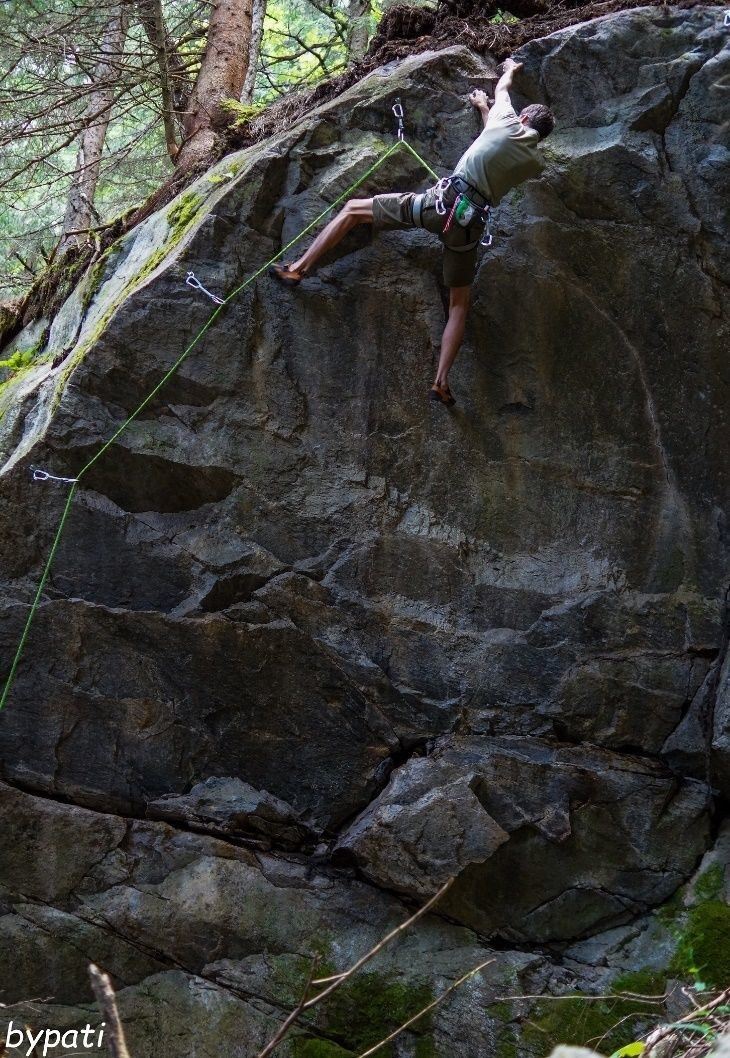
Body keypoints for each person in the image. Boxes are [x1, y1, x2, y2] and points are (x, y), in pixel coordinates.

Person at [269, 58, 555, 406]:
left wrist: (509, 69)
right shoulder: (532, 161)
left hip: (440, 205)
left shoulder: (509, 120)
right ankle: (441, 381)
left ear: (524, 119)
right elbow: (492, 143)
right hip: (468, 227)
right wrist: (484, 110)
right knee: (459, 303)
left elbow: (501, 92)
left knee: (354, 210)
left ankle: (298, 269)